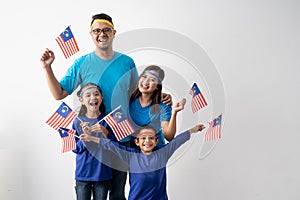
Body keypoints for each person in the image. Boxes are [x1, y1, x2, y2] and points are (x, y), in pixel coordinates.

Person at [40, 13, 172, 200]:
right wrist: (47, 68)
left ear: (113, 33)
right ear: (91, 34)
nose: (101, 34)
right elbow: (59, 93)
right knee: (95, 191)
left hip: (122, 136)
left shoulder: (126, 62)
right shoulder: (82, 63)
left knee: (118, 193)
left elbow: (138, 95)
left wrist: (160, 95)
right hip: (95, 140)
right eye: (96, 31)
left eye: (106, 30)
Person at [80, 123, 205, 200]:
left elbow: (177, 140)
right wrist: (91, 138)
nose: (147, 141)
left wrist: (193, 130)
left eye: (151, 138)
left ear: (156, 142)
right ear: (137, 142)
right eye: (143, 138)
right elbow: (111, 145)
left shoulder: (162, 153)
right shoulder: (131, 155)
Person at [72, 83, 113, 200]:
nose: (93, 98)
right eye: (88, 95)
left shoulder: (108, 120)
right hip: (83, 173)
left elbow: (114, 147)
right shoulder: (77, 122)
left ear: (101, 97)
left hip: (102, 173)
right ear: (81, 100)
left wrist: (106, 133)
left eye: (96, 94)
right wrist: (86, 137)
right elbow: (75, 148)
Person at [129, 65, 186, 148]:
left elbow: (169, 136)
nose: (146, 82)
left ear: (157, 87)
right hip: (133, 151)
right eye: (144, 77)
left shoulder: (163, 105)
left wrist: (174, 112)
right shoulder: (128, 99)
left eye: (152, 80)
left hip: (155, 152)